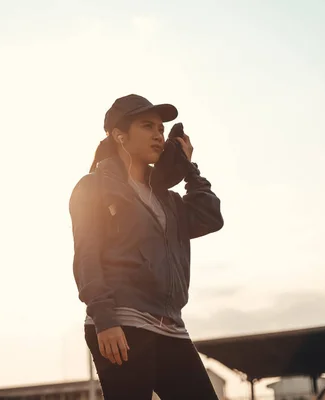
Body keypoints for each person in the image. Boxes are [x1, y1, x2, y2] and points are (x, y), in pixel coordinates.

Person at [69, 94, 224, 399]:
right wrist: (104, 319)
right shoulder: (93, 187)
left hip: (171, 328)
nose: (158, 135)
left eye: (162, 129)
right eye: (147, 126)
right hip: (122, 324)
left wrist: (188, 168)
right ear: (119, 135)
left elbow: (210, 216)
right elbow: (87, 255)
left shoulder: (169, 200)